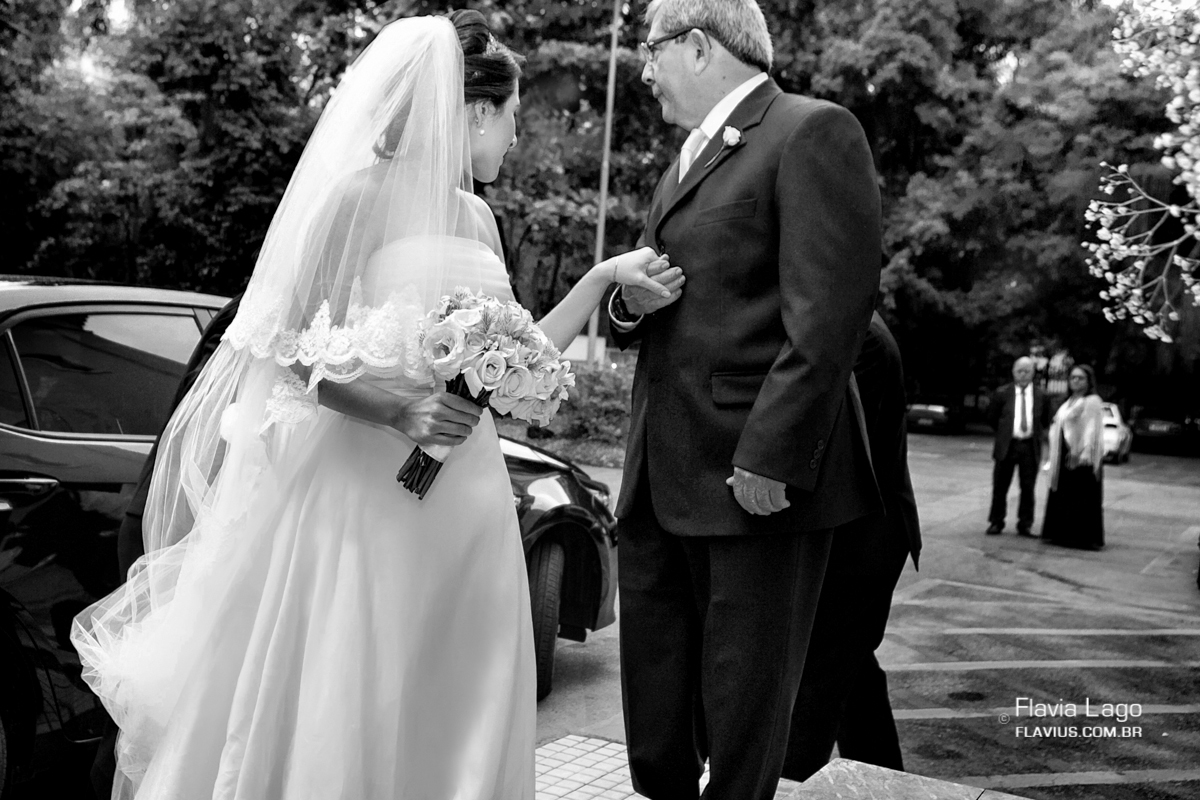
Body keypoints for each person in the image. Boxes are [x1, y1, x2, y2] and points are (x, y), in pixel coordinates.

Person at [70, 13, 682, 800]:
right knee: (363, 680)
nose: (516, 139)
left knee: (461, 686)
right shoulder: (353, 199)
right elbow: (281, 346)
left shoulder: (478, 219)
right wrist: (395, 410)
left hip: (469, 507)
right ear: (475, 111)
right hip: (365, 498)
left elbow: (521, 348)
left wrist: (600, 281)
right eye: (515, 118)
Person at [608, 1, 883, 797]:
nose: (646, 69)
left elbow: (829, 318)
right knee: (656, 714)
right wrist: (628, 306)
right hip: (659, 479)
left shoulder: (812, 131)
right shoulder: (682, 163)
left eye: (653, 51)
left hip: (752, 484)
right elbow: (654, 302)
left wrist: (772, 456)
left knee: (741, 714)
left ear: (699, 47)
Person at [781, 311, 921, 782]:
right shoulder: (852, 328)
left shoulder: (861, 339)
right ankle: (888, 782)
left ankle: (791, 784)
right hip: (858, 534)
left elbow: (826, 444)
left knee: (817, 678)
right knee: (852, 675)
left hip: (861, 542)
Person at [1041, 365, 1105, 550]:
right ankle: (1061, 533)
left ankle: (1081, 538)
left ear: (1088, 381)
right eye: (1073, 377)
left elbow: (1092, 430)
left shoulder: (1091, 401)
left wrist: (1081, 453)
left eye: (1080, 378)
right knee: (1063, 493)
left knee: (1081, 495)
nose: (1075, 381)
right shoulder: (1068, 401)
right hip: (1062, 454)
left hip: (1081, 457)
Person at [986, 356, 1051, 536]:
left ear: (1033, 373)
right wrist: (1004, 434)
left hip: (1030, 446)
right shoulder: (1002, 393)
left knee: (1028, 487)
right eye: (1019, 371)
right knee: (1000, 486)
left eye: (1027, 371)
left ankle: (1025, 524)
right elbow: (992, 418)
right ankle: (996, 521)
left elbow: (1045, 420)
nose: (1023, 375)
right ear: (1013, 372)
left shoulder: (1042, 395)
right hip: (1008, 445)